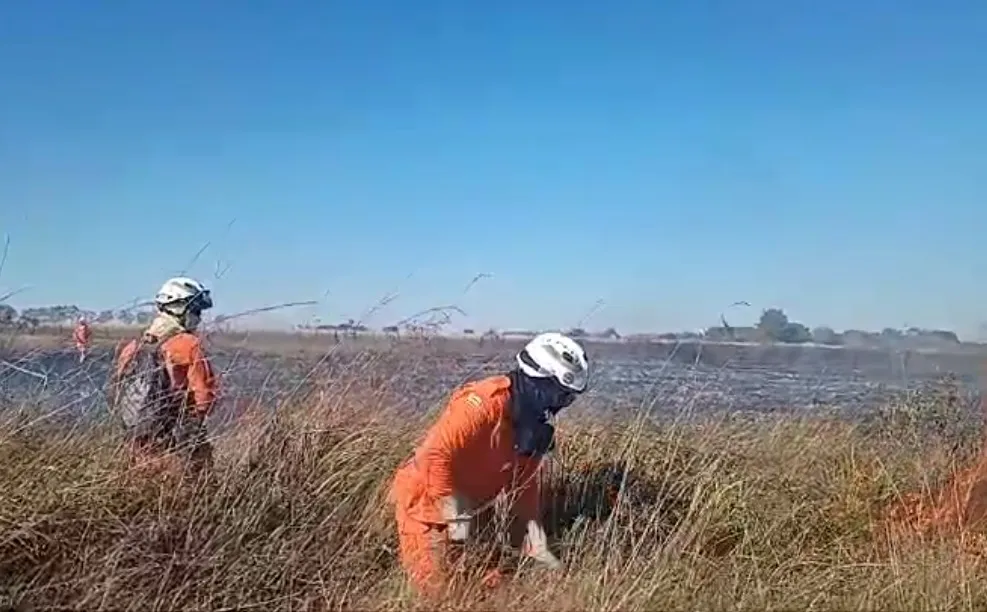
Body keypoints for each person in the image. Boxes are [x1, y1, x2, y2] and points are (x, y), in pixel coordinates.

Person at [389, 332, 589, 596]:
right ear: (536, 380)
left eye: (568, 398)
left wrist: (536, 546)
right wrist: (456, 523)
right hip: (427, 505)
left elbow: (524, 489)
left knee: (494, 585)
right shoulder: (482, 405)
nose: (561, 405)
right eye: (558, 395)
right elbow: (436, 457)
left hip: (473, 507)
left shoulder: (534, 428)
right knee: (435, 594)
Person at [108, 276, 217, 477]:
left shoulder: (135, 346)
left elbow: (116, 389)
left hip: (136, 437)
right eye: (196, 311)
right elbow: (205, 398)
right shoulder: (188, 344)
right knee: (196, 490)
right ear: (179, 309)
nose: (199, 317)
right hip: (176, 436)